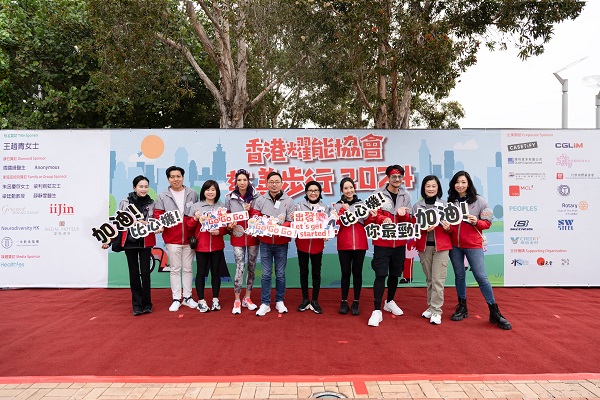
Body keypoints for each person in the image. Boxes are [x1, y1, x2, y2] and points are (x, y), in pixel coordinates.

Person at [447, 171, 512, 330]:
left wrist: (477, 222)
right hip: (454, 245)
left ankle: (494, 311)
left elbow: (488, 222)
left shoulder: (479, 201)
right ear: (453, 185)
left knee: (481, 277)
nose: (460, 185)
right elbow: (449, 225)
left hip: (473, 244)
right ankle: (462, 306)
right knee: (459, 275)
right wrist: (448, 228)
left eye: (463, 182)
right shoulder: (450, 202)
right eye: (457, 182)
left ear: (468, 183)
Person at [102, 175, 156, 316]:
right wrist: (109, 240)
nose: (143, 189)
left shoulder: (151, 203)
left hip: (145, 241)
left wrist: (147, 223)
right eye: (140, 186)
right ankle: (137, 305)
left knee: (145, 273)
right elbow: (118, 223)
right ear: (134, 187)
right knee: (133, 273)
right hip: (130, 241)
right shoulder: (124, 202)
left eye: (146, 186)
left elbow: (155, 222)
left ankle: (147, 304)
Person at [367, 165, 412, 327]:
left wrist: (403, 214)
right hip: (382, 242)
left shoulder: (406, 195)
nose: (397, 180)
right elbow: (369, 215)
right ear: (387, 177)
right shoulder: (377, 194)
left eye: (400, 177)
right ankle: (376, 310)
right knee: (380, 274)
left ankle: (390, 301)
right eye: (394, 177)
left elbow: (409, 220)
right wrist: (381, 219)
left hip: (399, 242)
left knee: (395, 274)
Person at [250, 171, 295, 317]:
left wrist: (280, 227)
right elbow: (254, 217)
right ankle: (265, 303)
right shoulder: (261, 199)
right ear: (267, 183)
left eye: (277, 181)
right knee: (266, 274)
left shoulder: (289, 200)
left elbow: (291, 220)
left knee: (280, 274)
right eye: (271, 182)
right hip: (265, 242)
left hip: (282, 242)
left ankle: (280, 301)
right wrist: (265, 223)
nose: (274, 184)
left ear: (281, 183)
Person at [154, 166, 199, 312]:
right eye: (172, 177)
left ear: (183, 177)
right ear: (168, 179)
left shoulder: (192, 194)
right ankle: (176, 298)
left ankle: (188, 297)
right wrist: (159, 226)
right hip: (172, 239)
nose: (175, 179)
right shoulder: (163, 196)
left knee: (188, 269)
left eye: (178, 176)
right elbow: (158, 216)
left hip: (189, 238)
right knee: (174, 269)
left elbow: (197, 215)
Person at [411, 175, 452, 325]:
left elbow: (451, 228)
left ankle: (436, 310)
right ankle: (430, 306)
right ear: (423, 188)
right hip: (424, 246)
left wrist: (448, 228)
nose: (431, 189)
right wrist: (422, 229)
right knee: (429, 279)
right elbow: (413, 228)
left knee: (438, 280)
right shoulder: (417, 206)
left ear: (438, 188)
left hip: (441, 247)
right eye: (428, 186)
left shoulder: (445, 205)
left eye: (434, 186)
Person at [187, 180, 228, 313]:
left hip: (217, 246)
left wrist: (220, 231)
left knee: (216, 274)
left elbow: (226, 228)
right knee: (200, 273)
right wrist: (195, 219)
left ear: (217, 192)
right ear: (203, 191)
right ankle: (201, 300)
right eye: (208, 190)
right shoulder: (196, 207)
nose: (210, 192)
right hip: (201, 246)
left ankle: (215, 299)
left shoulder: (222, 207)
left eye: (213, 190)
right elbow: (188, 226)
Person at [225, 169, 260, 314]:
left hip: (252, 237)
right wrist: (229, 226)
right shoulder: (230, 198)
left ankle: (248, 297)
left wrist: (250, 209)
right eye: (239, 180)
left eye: (244, 180)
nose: (242, 182)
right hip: (237, 237)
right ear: (236, 182)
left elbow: (259, 216)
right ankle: (237, 299)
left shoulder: (257, 197)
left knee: (251, 267)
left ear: (248, 181)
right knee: (240, 267)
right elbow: (226, 218)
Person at [294, 181, 330, 314]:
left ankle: (315, 300)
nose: (313, 193)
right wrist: (294, 219)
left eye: (316, 190)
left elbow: (328, 225)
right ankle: (305, 299)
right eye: (310, 190)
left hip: (317, 245)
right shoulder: (299, 206)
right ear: (306, 192)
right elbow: (294, 223)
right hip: (302, 244)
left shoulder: (325, 208)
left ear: (320, 193)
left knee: (316, 273)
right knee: (303, 272)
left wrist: (327, 233)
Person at [334, 177, 368, 316]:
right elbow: (337, 225)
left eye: (351, 187)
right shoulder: (336, 206)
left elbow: (367, 222)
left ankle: (356, 302)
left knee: (358, 273)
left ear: (354, 188)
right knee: (345, 273)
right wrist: (343, 211)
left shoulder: (362, 204)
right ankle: (343, 301)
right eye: (346, 188)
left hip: (360, 244)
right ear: (342, 190)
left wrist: (372, 216)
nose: (349, 190)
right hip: (344, 245)